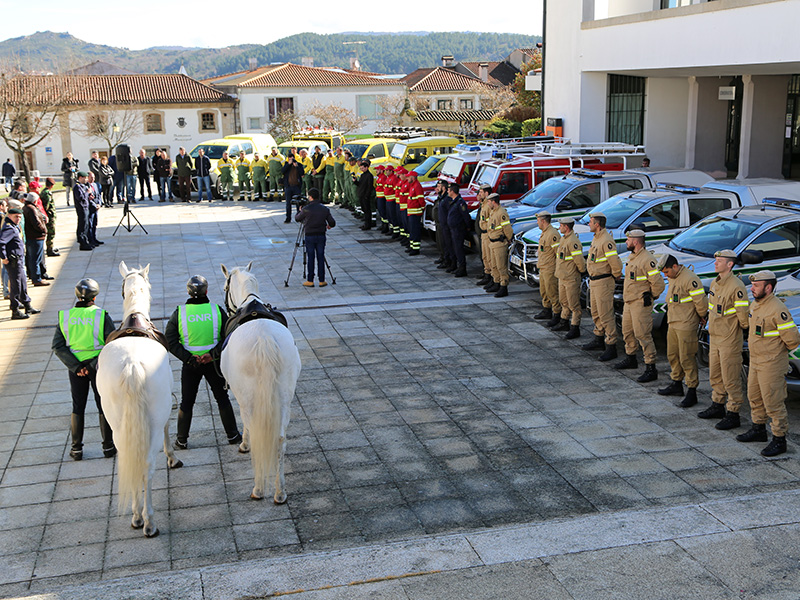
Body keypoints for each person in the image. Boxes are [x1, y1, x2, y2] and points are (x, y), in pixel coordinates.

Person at [165, 275, 242, 449]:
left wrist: (189, 358)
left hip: (191, 365)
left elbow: (170, 340)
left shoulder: (180, 312)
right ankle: (233, 435)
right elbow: (229, 336)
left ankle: (182, 440)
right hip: (213, 363)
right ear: (206, 291)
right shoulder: (216, 310)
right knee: (222, 398)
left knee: (187, 402)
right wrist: (212, 354)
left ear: (188, 292)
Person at [736, 270, 800, 456]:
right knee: (754, 397)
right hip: (756, 360)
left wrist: (774, 352)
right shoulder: (755, 305)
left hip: (771, 363)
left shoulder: (777, 309)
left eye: (756, 286)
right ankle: (758, 430)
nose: (753, 288)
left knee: (773, 402)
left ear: (768, 287)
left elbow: (793, 340)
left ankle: (779, 440)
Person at [52, 278, 116, 460]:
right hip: (98, 367)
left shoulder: (65, 316)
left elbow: (58, 346)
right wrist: (91, 365)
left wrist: (76, 367)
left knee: (78, 406)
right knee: (102, 404)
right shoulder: (101, 315)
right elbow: (111, 343)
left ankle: (76, 449)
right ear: (94, 297)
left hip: (76, 370)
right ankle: (108, 446)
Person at [696, 249, 750, 416]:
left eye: (719, 261)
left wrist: (741, 330)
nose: (715, 263)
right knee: (716, 374)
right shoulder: (715, 283)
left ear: (730, 264)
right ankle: (717, 404)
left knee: (730, 377)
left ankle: (733, 412)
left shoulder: (737, 287)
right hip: (715, 336)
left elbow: (743, 317)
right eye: (716, 260)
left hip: (729, 339)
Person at [657, 253, 708, 408]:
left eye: (666, 272)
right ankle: (676, 383)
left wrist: (702, 318)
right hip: (673, 322)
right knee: (673, 354)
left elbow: (701, 303)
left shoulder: (690, 279)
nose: (666, 276)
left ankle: (692, 390)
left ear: (674, 266)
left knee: (687, 357)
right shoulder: (674, 277)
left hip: (686, 324)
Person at [614, 229, 665, 382]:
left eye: (628, 240)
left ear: (635, 242)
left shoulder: (647, 260)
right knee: (627, 331)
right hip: (629, 302)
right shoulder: (632, 256)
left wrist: (651, 295)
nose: (626, 242)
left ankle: (651, 367)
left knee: (642, 334)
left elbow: (658, 283)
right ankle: (631, 358)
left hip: (640, 303)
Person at [583, 211, 623, 362]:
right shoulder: (597, 238)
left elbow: (613, 260)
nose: (589, 224)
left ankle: (611, 345)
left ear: (597, 224)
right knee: (595, 311)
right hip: (594, 281)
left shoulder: (606, 240)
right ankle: (599, 339)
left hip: (603, 282)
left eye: (591, 222)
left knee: (605, 314)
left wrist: (616, 273)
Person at [0, 207, 39, 319]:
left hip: (18, 260)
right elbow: (1, 242)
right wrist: (3, 257)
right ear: (9, 216)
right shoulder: (9, 228)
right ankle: (15, 310)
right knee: (16, 285)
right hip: (13, 261)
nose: (18, 219)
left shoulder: (14, 226)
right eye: (16, 217)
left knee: (22, 283)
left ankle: (27, 305)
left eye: (19, 217)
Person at [295, 188, 335, 287]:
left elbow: (297, 218)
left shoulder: (306, 209)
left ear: (311, 197)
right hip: (321, 235)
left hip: (309, 235)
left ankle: (310, 280)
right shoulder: (324, 209)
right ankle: (322, 280)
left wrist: (299, 210)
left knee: (311, 257)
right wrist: (329, 225)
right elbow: (332, 222)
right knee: (321, 257)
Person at [554, 216, 586, 339]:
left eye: (561, 226)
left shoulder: (573, 241)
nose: (559, 227)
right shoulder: (564, 239)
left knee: (574, 305)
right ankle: (564, 322)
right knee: (564, 301)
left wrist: (582, 271)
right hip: (562, 276)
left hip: (571, 277)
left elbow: (579, 260)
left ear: (566, 227)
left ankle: (575, 327)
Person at [534, 211, 562, 327]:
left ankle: (557, 314)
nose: (537, 223)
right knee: (544, 291)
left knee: (552, 293)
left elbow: (558, 253)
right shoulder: (545, 233)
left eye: (538, 220)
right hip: (543, 267)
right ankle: (546, 310)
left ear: (543, 221)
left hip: (550, 268)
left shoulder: (552, 234)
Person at [485, 193, 513, 297]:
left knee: (501, 266)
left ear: (493, 202)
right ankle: (496, 282)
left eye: (488, 201)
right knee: (494, 265)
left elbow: (507, 229)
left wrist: (508, 239)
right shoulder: (493, 212)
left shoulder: (501, 213)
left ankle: (503, 286)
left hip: (499, 243)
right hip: (492, 242)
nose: (487, 203)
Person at [22, 193, 49, 287]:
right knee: (35, 259)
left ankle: (35, 276)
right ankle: (37, 278)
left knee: (32, 258)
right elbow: (37, 223)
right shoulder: (32, 209)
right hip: (36, 237)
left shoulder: (26, 207)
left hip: (31, 236)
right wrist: (44, 230)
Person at [446, 183, 471, 278]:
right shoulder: (453, 201)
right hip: (453, 229)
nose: (448, 192)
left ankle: (462, 268)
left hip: (458, 230)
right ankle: (458, 266)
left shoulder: (460, 203)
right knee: (455, 248)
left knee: (459, 249)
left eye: (449, 190)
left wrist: (467, 227)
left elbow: (465, 216)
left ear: (452, 191)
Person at [475, 184, 494, 287]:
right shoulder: (483, 204)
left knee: (490, 259)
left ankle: (492, 278)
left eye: (481, 192)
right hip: (482, 235)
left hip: (487, 235)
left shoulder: (489, 205)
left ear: (487, 193)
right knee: (485, 257)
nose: (479, 194)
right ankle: (486, 275)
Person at [406, 169, 426, 255]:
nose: (407, 179)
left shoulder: (417, 186)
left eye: (408, 177)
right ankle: (412, 247)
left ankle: (416, 249)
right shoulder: (412, 185)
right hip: (411, 212)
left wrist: (422, 208)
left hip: (415, 213)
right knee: (412, 230)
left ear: (413, 177)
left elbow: (421, 199)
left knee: (415, 231)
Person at [72, 171, 94, 251]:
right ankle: (82, 243)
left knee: (86, 225)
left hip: (86, 207)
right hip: (81, 209)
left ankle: (86, 241)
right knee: (82, 225)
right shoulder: (77, 187)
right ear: (80, 178)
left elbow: (85, 197)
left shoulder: (83, 186)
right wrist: (87, 193)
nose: (86, 179)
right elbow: (80, 197)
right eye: (85, 178)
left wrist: (89, 196)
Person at [282, 152, 305, 224]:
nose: (291, 160)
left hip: (296, 186)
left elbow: (302, 173)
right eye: (289, 159)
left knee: (298, 203)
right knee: (288, 203)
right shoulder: (286, 165)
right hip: (288, 186)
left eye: (292, 158)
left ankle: (299, 217)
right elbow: (282, 171)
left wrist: (297, 166)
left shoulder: (299, 165)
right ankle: (288, 218)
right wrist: (288, 164)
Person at [40, 177, 59, 257]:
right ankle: (49, 249)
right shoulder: (47, 193)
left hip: (49, 215)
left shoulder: (43, 191)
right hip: (50, 216)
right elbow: (46, 206)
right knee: (51, 233)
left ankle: (50, 247)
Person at [432, 179, 449, 264]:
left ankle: (446, 260)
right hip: (438, 224)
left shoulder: (446, 198)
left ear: (444, 188)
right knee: (439, 243)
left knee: (444, 243)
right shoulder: (440, 197)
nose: (437, 189)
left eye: (439, 187)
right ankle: (442, 257)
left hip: (444, 225)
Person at [355, 159, 375, 230]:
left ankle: (368, 224)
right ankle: (366, 223)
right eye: (361, 168)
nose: (362, 169)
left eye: (363, 168)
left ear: (367, 167)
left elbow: (369, 187)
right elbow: (360, 184)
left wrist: (367, 195)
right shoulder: (363, 175)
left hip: (365, 196)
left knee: (367, 210)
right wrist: (355, 181)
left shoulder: (369, 176)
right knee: (364, 210)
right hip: (361, 194)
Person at [86, 172, 103, 247]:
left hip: (96, 207)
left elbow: (98, 195)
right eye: (91, 177)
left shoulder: (95, 185)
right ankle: (90, 239)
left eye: (93, 177)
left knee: (95, 224)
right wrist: (94, 205)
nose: (93, 179)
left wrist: (99, 204)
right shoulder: (86, 186)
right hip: (91, 208)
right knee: (90, 224)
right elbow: (88, 198)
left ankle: (94, 238)